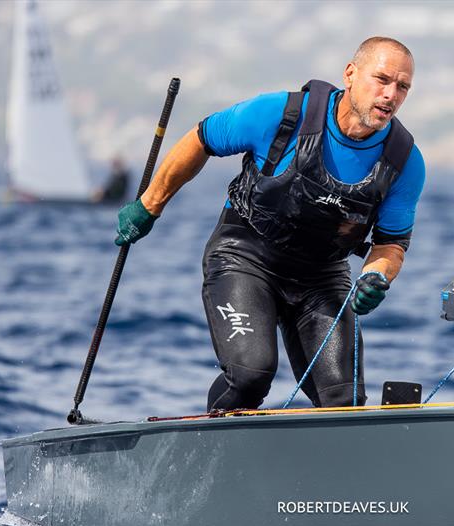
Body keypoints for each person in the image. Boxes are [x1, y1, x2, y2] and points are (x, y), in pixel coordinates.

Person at [115, 36, 425, 410]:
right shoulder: (280, 114)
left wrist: (377, 276)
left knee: (345, 399)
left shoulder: (404, 161)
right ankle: (207, 444)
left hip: (321, 277)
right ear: (350, 74)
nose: (390, 94)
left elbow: (391, 244)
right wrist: (149, 205)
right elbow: (202, 139)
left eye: (402, 86)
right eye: (382, 79)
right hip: (245, 255)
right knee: (251, 375)